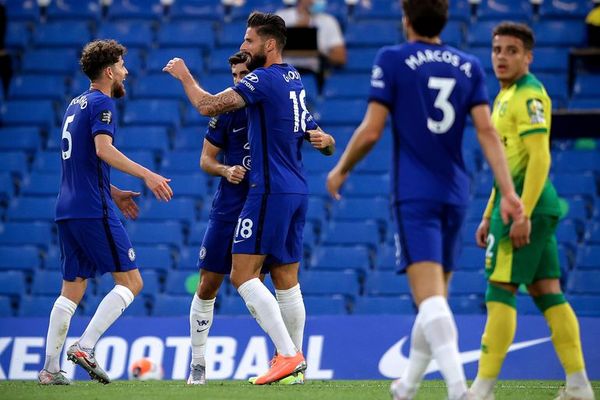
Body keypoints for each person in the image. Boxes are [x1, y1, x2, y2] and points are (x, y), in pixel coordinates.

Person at [325, 1, 523, 399]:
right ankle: (407, 385)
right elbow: (486, 132)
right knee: (436, 300)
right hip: (456, 192)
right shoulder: (468, 65)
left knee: (429, 300)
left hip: (416, 193)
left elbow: (371, 130)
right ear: (444, 20)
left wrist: (341, 166)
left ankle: (458, 390)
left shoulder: (393, 58)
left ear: (406, 19)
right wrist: (509, 191)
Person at [164, 12, 334, 385]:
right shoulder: (293, 78)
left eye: (249, 41)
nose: (243, 47)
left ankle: (289, 356)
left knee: (243, 276)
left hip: (268, 189)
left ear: (268, 45)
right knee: (286, 278)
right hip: (296, 189)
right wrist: (328, 141)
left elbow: (207, 106)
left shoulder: (263, 78)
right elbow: (312, 129)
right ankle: (295, 366)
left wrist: (185, 77)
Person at [469, 22, 595, 400]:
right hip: (519, 206)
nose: (502, 57)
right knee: (547, 292)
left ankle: (481, 390)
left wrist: (520, 212)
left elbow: (540, 157)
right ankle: (578, 386)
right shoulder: (504, 96)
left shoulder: (529, 96)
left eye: (511, 50)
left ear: (528, 57)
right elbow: (506, 161)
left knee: (499, 291)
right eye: (497, 50)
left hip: (525, 209)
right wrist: (487, 211)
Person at [38, 39, 173, 385]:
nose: (126, 72)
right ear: (110, 71)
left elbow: (80, 162)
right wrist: (148, 174)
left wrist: (112, 192)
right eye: (123, 66)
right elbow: (102, 150)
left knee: (72, 288)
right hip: (90, 209)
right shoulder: (101, 103)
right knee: (132, 281)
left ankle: (51, 369)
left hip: (67, 207)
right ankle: (85, 346)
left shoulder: (74, 105)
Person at [276, 0, 346, 89]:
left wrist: (319, 52)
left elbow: (341, 57)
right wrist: (297, 33)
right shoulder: (281, 17)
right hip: (283, 73)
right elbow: (267, 50)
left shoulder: (329, 21)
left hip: (313, 75)